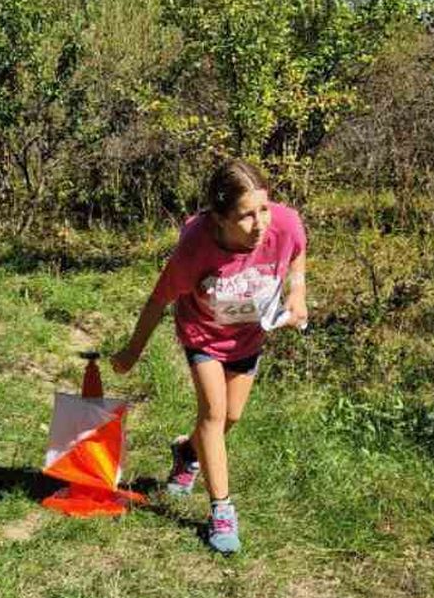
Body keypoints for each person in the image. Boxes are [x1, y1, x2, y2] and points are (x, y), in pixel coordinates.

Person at [110, 158, 308, 554]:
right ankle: (221, 510)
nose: (260, 224)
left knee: (231, 417)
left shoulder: (285, 223)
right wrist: (132, 351)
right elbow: (158, 300)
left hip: (249, 337)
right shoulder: (195, 249)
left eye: (263, 209)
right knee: (214, 414)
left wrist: (297, 295)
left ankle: (187, 454)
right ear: (218, 217)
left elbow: (298, 255)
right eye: (245, 216)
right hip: (202, 334)